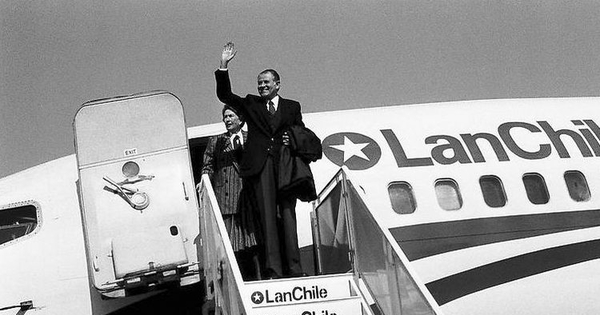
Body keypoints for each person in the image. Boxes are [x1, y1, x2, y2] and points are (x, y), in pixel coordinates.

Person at [214, 42, 306, 278]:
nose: (262, 86)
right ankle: (274, 270)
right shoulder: (252, 104)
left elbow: (301, 133)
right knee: (267, 221)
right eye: (259, 83)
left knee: (288, 218)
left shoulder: (292, 106)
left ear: (277, 84)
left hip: (285, 169)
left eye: (266, 82)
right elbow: (225, 94)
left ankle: (295, 269)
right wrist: (223, 65)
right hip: (262, 169)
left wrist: (293, 141)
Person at [201, 105, 260, 280]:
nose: (227, 120)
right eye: (225, 117)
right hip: (225, 199)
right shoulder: (216, 141)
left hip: (247, 199)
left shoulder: (252, 138)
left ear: (240, 119)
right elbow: (208, 165)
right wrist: (204, 179)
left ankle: (258, 279)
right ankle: (235, 280)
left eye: (230, 116)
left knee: (252, 244)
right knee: (230, 247)